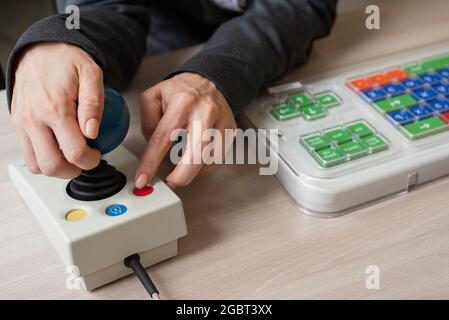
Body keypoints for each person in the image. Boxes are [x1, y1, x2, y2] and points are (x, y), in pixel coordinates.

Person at [6, 0, 337, 189]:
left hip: (268, 37)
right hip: (158, 44)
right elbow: (104, 9)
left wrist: (220, 71)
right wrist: (53, 41)